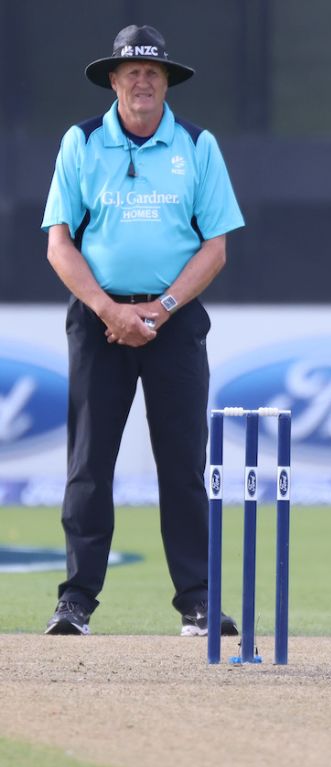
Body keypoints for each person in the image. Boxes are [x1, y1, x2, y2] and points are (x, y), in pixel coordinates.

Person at [41, 25, 244, 637]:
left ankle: (198, 601)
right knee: (89, 463)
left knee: (182, 463)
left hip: (174, 325)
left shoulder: (196, 144)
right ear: (113, 80)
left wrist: (161, 308)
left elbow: (216, 246)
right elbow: (59, 245)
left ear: (166, 82)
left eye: (153, 72)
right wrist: (111, 310)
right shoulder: (81, 143)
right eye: (131, 71)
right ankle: (75, 600)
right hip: (100, 323)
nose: (142, 80)